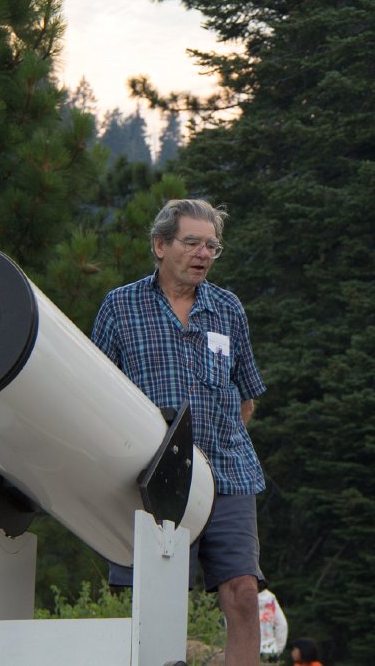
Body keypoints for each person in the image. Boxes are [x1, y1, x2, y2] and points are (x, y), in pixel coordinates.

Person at [92, 198, 267, 666]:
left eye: (212, 245)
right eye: (192, 243)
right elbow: (97, 394)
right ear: (160, 245)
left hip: (228, 473)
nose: (203, 254)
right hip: (153, 478)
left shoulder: (227, 308)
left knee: (244, 594)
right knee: (156, 601)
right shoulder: (120, 306)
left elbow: (247, 394)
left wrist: (218, 442)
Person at [258, 587, 288, 663]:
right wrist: (277, 649)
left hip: (248, 650)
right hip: (270, 649)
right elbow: (282, 625)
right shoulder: (270, 598)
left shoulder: (239, 598)